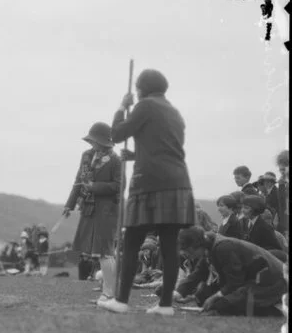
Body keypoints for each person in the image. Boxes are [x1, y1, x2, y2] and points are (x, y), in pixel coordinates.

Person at [97, 69, 196, 316]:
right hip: (178, 180)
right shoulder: (174, 112)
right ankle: (165, 306)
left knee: (131, 241)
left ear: (141, 88)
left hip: (151, 182)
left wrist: (122, 107)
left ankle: (120, 301)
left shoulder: (144, 106)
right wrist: (137, 155)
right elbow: (163, 147)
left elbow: (116, 135)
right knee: (169, 244)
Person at [63, 121, 122, 299]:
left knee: (105, 251)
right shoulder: (86, 156)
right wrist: (70, 204)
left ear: (104, 142)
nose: (91, 144)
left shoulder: (116, 160)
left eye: (94, 141)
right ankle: (106, 288)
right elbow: (78, 181)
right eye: (91, 141)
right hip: (89, 208)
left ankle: (110, 293)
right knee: (94, 252)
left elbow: (119, 186)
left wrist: (94, 186)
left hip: (107, 210)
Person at [177, 226, 286, 316]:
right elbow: (199, 273)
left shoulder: (223, 248)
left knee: (222, 305)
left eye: (187, 250)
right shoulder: (209, 245)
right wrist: (178, 293)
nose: (186, 254)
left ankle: (274, 308)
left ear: (196, 245)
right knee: (204, 296)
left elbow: (235, 282)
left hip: (271, 281)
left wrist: (215, 297)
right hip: (252, 280)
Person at [242, 194, 286, 261]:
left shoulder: (265, 227)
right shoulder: (245, 222)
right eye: (242, 207)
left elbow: (276, 249)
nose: (242, 210)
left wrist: (259, 252)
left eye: (246, 208)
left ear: (255, 209)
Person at [275, 149, 289, 238]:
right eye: (280, 170)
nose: (282, 172)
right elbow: (282, 206)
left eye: (283, 169)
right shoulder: (284, 184)